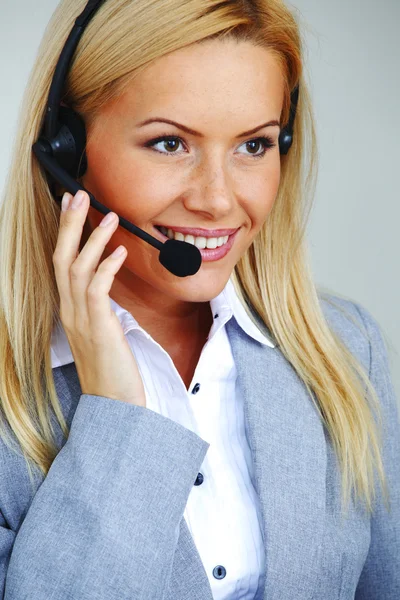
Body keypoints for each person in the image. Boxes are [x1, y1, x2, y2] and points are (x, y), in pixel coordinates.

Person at [0, 0, 398, 598]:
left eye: (254, 146)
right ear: (66, 151)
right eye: (169, 144)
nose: (217, 200)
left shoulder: (347, 349)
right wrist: (118, 418)